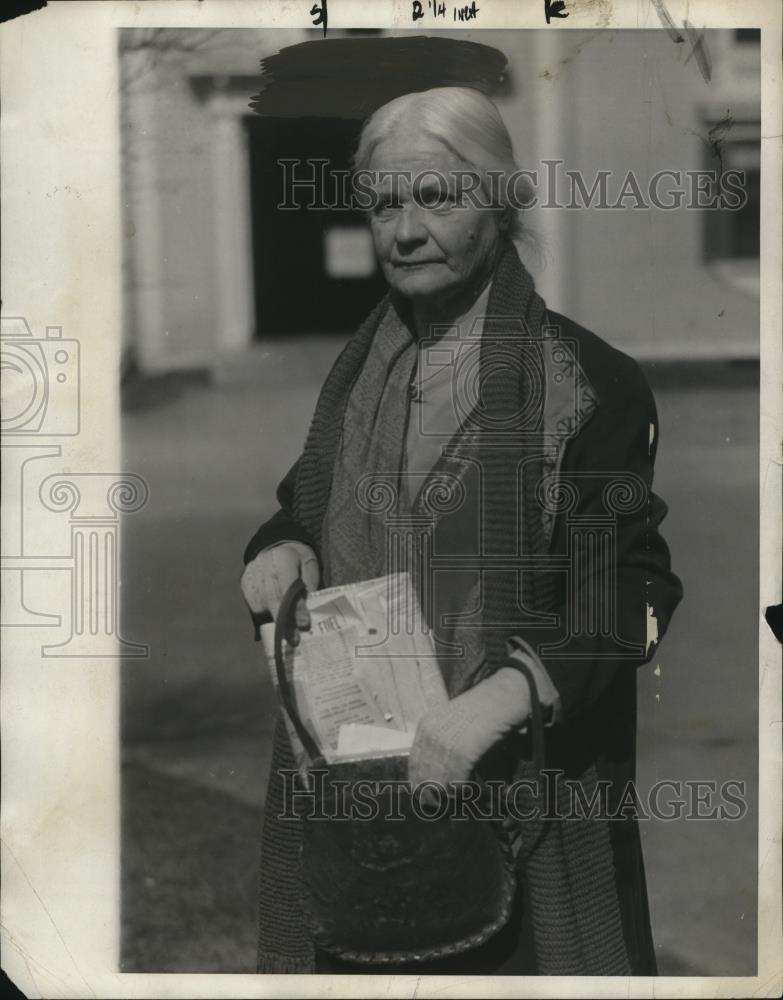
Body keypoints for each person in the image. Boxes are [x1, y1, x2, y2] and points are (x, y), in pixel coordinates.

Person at [241, 84, 682, 975]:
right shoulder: (364, 364)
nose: (403, 233)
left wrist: (500, 700)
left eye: (436, 198)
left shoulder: (589, 383)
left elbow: (631, 593)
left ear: (500, 200)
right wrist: (276, 546)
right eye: (383, 204)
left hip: (523, 807)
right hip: (356, 794)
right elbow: (305, 503)